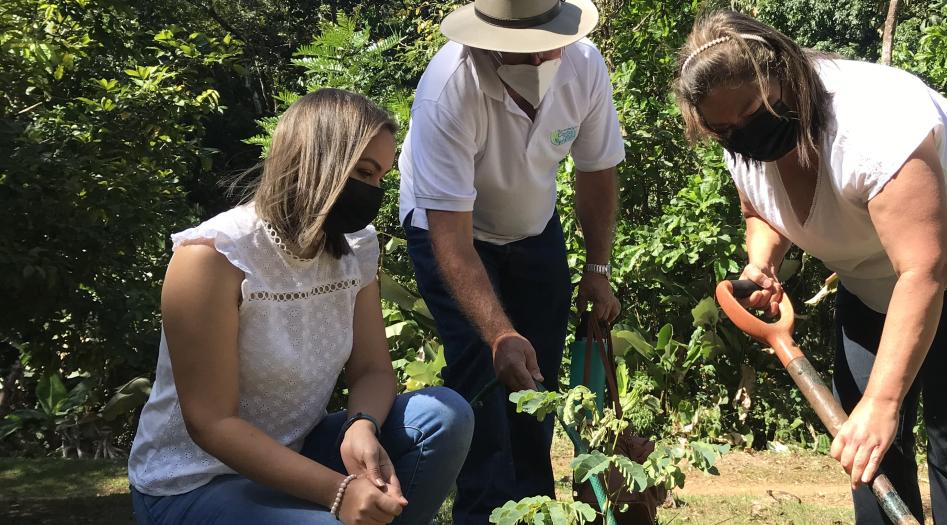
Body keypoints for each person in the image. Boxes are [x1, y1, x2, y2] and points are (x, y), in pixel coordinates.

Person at [675, 11, 947, 525]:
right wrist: (761, 263)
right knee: (864, 443)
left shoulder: (873, 122)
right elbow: (762, 210)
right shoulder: (738, 137)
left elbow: (924, 268)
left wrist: (883, 400)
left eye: (753, 114)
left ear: (787, 77)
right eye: (725, 129)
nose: (744, 134)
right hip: (873, 275)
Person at [127, 88, 473, 525]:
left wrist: (361, 424)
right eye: (364, 172)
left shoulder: (356, 249)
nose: (374, 192)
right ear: (314, 161)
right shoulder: (212, 256)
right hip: (194, 480)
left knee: (444, 415)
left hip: (298, 449)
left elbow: (372, 369)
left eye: (382, 177)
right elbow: (211, 423)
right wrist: (339, 491)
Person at [397, 0, 624, 521]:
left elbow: (596, 171)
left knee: (536, 372)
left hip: (533, 226)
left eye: (549, 43)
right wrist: (498, 334)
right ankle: (483, 509)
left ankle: (534, 505)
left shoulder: (585, 66)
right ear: (487, 40)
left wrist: (598, 268)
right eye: (523, 48)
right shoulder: (448, 89)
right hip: (451, 229)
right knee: (483, 370)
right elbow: (451, 241)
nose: (541, 57)